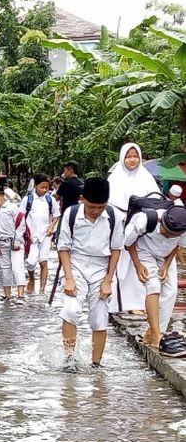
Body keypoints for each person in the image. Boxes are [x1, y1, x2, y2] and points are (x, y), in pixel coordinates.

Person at [57, 177, 123, 373]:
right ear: (82, 199)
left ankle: (96, 364)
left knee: (100, 317)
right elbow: (63, 247)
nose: (96, 211)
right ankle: (69, 358)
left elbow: (117, 249)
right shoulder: (71, 214)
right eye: (92, 206)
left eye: (101, 207)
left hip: (101, 267)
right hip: (76, 264)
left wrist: (108, 281)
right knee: (71, 309)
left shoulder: (114, 216)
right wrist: (69, 278)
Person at [124, 205, 186, 356]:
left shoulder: (183, 228)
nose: (168, 236)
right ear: (161, 222)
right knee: (153, 284)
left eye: (173, 235)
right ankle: (157, 337)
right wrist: (138, 265)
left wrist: (166, 265)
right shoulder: (145, 220)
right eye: (166, 233)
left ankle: (152, 333)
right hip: (143, 251)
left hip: (165, 256)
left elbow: (177, 245)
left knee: (171, 291)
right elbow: (128, 243)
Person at [108, 143, 160, 314]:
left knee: (140, 264)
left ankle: (139, 303)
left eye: (135, 156)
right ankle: (119, 303)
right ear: (123, 158)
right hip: (121, 226)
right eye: (128, 156)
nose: (132, 160)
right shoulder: (115, 179)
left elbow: (156, 201)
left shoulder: (146, 178)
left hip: (142, 228)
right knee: (122, 264)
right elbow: (107, 205)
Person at [18, 174, 61, 293]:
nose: (45, 190)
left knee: (43, 261)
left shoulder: (50, 200)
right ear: (35, 186)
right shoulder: (28, 200)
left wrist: (51, 227)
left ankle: (42, 290)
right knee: (31, 262)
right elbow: (21, 217)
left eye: (47, 187)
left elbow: (56, 216)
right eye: (42, 187)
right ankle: (31, 279)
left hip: (46, 235)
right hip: (31, 236)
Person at [0, 177, 26, 301]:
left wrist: (17, 241)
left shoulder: (12, 208)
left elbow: (21, 224)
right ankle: (7, 294)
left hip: (14, 242)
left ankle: (20, 295)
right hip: (1, 242)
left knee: (17, 267)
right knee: (5, 268)